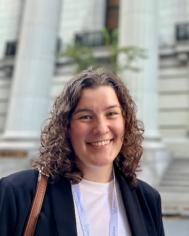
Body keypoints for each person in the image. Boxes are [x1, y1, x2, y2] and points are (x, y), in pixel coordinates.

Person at [0, 68, 165, 236]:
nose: (101, 129)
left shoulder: (148, 200)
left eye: (111, 114)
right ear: (66, 127)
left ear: (125, 122)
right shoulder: (17, 193)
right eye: (85, 116)